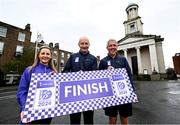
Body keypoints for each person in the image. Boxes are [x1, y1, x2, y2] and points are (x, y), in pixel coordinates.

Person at [16, 45, 57, 124]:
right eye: (43, 53)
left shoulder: (53, 72)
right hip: (30, 112)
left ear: (51, 56)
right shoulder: (29, 70)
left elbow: (57, 95)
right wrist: (25, 109)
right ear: (38, 55)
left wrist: (56, 80)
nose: (45, 55)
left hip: (47, 114)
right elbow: (22, 92)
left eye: (48, 54)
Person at [63, 36, 97, 124]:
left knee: (89, 121)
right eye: (82, 43)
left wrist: (85, 76)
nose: (84, 45)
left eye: (86, 43)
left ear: (89, 45)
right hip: (74, 95)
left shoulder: (93, 58)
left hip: (88, 94)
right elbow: (65, 71)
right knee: (74, 121)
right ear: (79, 45)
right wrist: (74, 76)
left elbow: (95, 75)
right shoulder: (73, 56)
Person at [99, 39, 134, 125]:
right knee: (112, 118)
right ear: (107, 47)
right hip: (110, 95)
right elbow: (99, 78)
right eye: (110, 45)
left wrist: (132, 91)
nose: (112, 47)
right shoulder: (103, 61)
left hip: (123, 93)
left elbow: (129, 75)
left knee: (124, 117)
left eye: (114, 45)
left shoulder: (123, 59)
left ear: (117, 47)